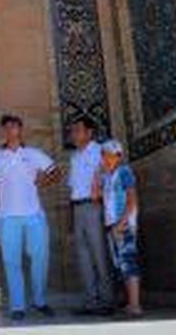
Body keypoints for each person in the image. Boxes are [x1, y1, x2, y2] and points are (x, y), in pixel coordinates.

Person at [0, 114, 62, 320]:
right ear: (3, 132)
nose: (10, 131)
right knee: (11, 262)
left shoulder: (34, 154)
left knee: (40, 258)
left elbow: (56, 172)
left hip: (34, 215)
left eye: (14, 127)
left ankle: (40, 301)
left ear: (20, 129)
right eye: (6, 127)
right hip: (7, 217)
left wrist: (43, 182)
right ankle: (18, 306)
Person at [68, 116, 114, 315]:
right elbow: (72, 188)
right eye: (73, 130)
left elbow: (110, 177)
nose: (74, 134)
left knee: (99, 254)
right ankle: (90, 301)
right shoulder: (75, 156)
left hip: (95, 207)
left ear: (89, 132)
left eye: (78, 130)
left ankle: (107, 301)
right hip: (78, 208)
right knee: (84, 256)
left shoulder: (101, 152)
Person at [93, 140, 142, 317]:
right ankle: (129, 303)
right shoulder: (106, 176)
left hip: (123, 225)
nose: (106, 159)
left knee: (129, 262)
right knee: (120, 264)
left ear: (119, 157)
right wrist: (97, 175)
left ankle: (135, 305)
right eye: (104, 155)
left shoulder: (124, 171)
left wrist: (122, 222)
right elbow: (95, 196)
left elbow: (132, 198)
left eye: (110, 155)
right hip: (111, 225)